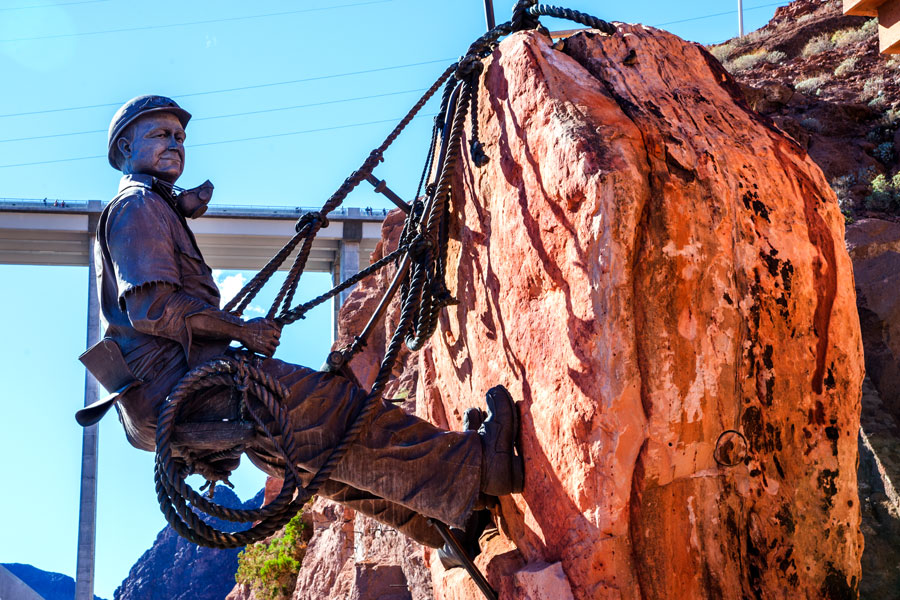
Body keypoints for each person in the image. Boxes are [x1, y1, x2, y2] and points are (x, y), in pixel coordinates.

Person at [77, 95, 523, 550]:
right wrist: (241, 331)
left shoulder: (152, 204)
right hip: (183, 386)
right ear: (126, 148)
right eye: (159, 135)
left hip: (159, 402)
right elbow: (153, 308)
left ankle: (448, 527)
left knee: (305, 457)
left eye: (180, 137)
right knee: (333, 409)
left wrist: (180, 208)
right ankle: (481, 466)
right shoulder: (137, 207)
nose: (174, 144)